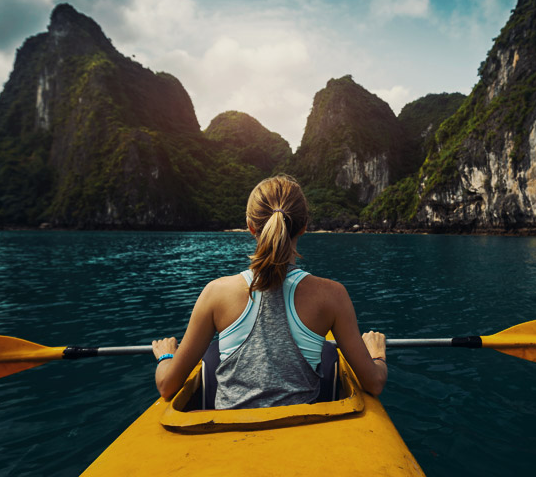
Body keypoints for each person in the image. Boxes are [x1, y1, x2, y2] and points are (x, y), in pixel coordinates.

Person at [151, 174, 387, 409]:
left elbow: (167, 386)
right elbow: (374, 384)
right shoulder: (332, 295)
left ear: (250, 226)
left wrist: (166, 357)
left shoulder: (216, 293)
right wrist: (376, 354)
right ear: (304, 226)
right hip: (302, 437)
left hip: (227, 438)